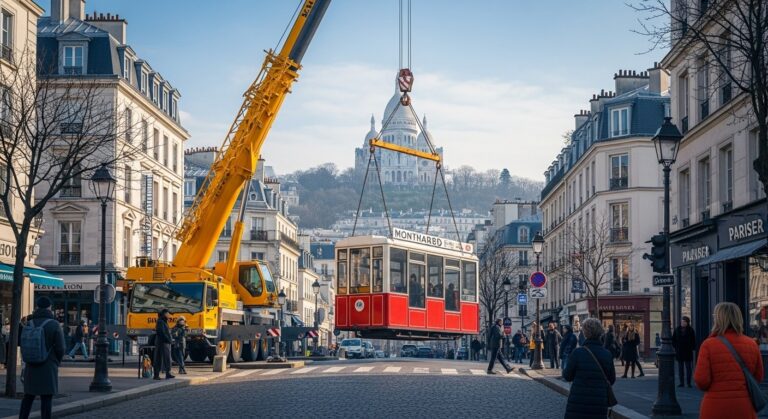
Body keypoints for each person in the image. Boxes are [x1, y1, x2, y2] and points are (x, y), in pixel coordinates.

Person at [695, 302, 763, 419]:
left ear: (718, 319)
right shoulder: (752, 344)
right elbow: (758, 377)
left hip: (715, 406)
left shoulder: (708, 344)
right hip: (744, 407)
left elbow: (701, 381)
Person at [19, 297, 65, 419]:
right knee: (46, 398)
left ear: (37, 307)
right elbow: (61, 348)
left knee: (28, 397)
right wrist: (57, 361)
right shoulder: (54, 324)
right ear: (49, 307)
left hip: (31, 364)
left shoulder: (29, 323)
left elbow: (21, 341)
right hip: (48, 365)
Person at [562, 318, 616, 419]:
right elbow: (611, 379)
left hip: (578, 402)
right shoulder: (607, 354)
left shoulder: (577, 353)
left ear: (585, 333)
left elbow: (567, 376)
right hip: (599, 402)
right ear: (600, 333)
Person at [672, 315, 696, 388]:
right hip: (679, 351)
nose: (682, 323)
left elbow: (693, 340)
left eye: (684, 321)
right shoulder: (677, 329)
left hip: (688, 351)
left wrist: (691, 348)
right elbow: (673, 339)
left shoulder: (691, 330)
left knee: (688, 368)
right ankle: (681, 382)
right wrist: (676, 347)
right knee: (680, 368)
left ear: (687, 322)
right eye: (682, 321)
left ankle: (689, 383)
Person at [154, 308, 174, 380]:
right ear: (164, 314)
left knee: (167, 358)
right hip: (162, 342)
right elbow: (162, 333)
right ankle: (156, 375)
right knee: (159, 358)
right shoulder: (160, 322)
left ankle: (168, 373)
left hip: (164, 342)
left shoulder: (163, 321)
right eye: (168, 313)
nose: (169, 315)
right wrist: (168, 339)